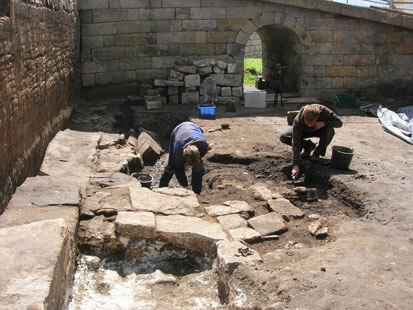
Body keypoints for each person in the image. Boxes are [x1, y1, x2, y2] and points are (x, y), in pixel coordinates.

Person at [280, 104, 342, 180]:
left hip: (319, 129)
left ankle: (317, 154)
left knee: (330, 131)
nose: (309, 125)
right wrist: (296, 165)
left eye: (312, 122)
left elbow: (339, 123)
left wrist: (324, 123)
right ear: (304, 117)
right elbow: (295, 143)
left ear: (317, 117)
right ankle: (308, 146)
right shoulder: (298, 120)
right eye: (307, 122)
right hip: (303, 131)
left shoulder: (324, 111)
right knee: (284, 137)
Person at [159, 121, 208, 194]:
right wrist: (185, 185)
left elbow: (198, 160)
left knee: (198, 167)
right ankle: (162, 188)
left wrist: (196, 164)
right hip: (177, 131)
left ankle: (196, 191)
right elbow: (179, 170)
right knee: (172, 165)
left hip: (194, 127)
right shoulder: (178, 151)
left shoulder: (204, 146)